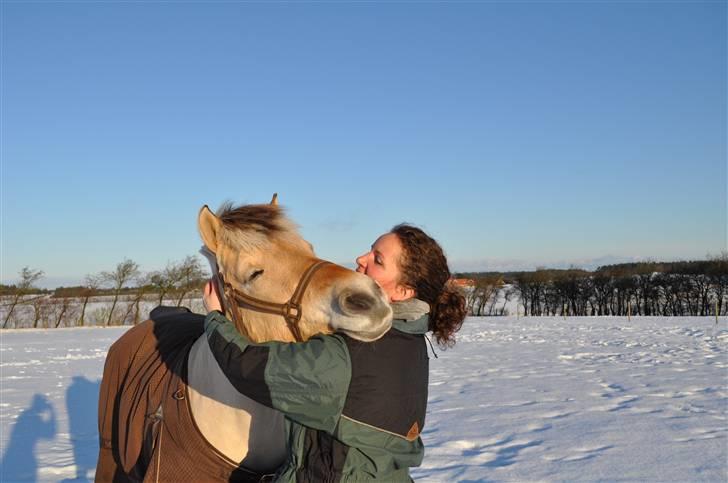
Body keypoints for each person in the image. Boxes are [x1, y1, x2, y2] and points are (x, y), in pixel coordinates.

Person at [203, 223, 467, 482]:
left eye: (377, 259)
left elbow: (248, 366)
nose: (360, 259)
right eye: (369, 250)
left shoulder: (350, 355)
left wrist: (215, 316)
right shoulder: (412, 342)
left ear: (403, 291)